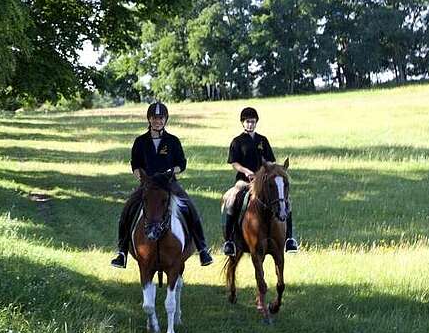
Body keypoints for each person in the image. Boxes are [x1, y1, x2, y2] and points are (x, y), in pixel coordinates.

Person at [110, 102, 215, 269]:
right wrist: (142, 179)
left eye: (161, 118)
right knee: (127, 210)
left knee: (190, 208)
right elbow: (135, 165)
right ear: (149, 119)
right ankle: (122, 252)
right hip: (147, 186)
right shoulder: (140, 141)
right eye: (154, 118)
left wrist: (171, 171)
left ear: (165, 120)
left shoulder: (173, 141)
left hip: (169, 184)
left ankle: (202, 249)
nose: (158, 121)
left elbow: (182, 164)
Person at [222, 106, 298, 256]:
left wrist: (271, 172)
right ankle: (229, 240)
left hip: (264, 182)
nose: (250, 124)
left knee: (285, 201)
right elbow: (234, 163)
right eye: (247, 122)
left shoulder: (263, 140)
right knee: (231, 200)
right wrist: (247, 171)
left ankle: (289, 238)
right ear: (243, 123)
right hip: (244, 181)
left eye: (253, 121)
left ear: (256, 122)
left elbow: (270, 161)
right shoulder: (237, 141)